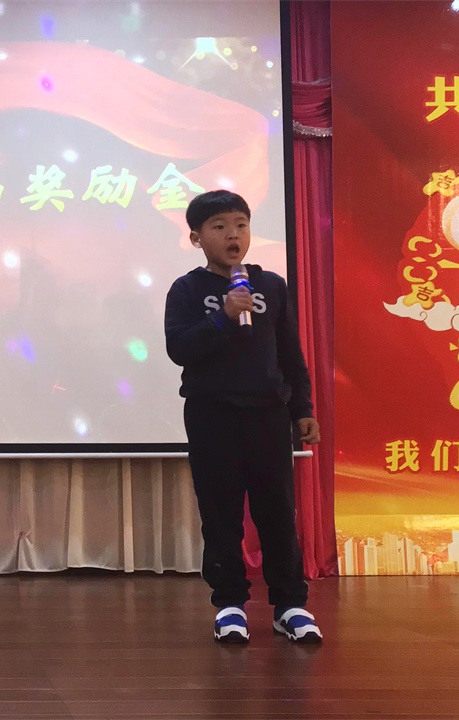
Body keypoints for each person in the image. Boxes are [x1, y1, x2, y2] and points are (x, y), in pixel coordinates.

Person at [164, 189, 323, 644]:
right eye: (219, 227)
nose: (233, 235)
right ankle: (230, 604)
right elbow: (180, 348)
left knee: (278, 513)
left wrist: (303, 409)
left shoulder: (270, 286)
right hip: (212, 416)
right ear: (196, 238)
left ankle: (290, 605)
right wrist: (224, 317)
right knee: (221, 515)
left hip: (268, 416)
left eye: (240, 225)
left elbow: (289, 355)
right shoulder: (187, 289)